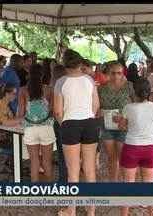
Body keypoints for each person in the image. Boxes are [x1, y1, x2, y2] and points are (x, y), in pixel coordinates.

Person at [54, 49, 99, 216]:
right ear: (80, 63)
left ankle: (71, 210)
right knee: (90, 169)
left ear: (65, 64)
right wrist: (88, 118)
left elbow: (58, 112)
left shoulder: (60, 82)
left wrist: (64, 124)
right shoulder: (89, 80)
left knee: (72, 171)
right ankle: (91, 211)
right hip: (89, 123)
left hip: (70, 124)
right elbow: (95, 105)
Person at [114, 78, 153, 216]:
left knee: (128, 185)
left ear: (134, 91)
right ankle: (151, 214)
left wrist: (119, 120)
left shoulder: (128, 107)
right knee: (149, 184)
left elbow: (122, 127)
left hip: (131, 148)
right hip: (150, 148)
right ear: (148, 92)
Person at [17, 64, 55, 182]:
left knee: (34, 161)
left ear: (28, 75)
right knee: (46, 161)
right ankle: (50, 191)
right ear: (42, 75)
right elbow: (52, 111)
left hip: (30, 129)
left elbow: (21, 113)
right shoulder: (49, 90)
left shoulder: (23, 90)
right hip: (46, 128)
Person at [98, 61, 135, 182]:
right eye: (113, 73)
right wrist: (102, 112)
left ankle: (124, 185)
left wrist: (126, 117)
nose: (116, 76)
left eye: (119, 73)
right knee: (112, 157)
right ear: (108, 73)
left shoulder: (129, 86)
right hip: (107, 126)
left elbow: (136, 104)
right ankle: (113, 184)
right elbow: (96, 108)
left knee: (123, 158)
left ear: (123, 73)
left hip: (124, 126)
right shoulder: (101, 88)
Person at [0, 84, 22, 158]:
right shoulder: (1, 105)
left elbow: (13, 119)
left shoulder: (5, 104)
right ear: (7, 94)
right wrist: (21, 119)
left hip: (7, 135)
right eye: (14, 94)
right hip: (3, 138)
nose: (15, 96)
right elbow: (5, 122)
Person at [51, 64, 68, 182]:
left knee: (62, 154)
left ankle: (63, 180)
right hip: (74, 121)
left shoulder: (56, 86)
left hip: (61, 122)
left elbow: (55, 110)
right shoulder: (71, 85)